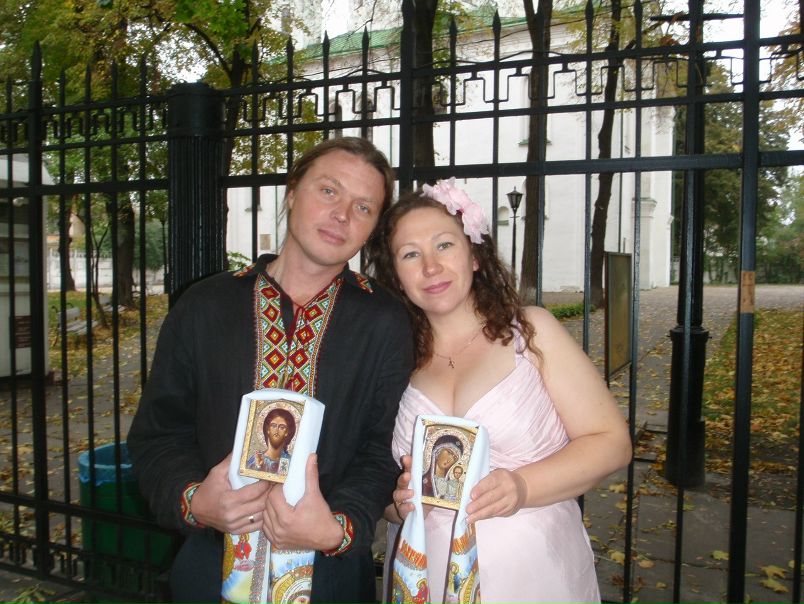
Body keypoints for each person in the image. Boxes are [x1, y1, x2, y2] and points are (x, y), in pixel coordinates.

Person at [127, 137, 415, 604]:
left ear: (373, 227)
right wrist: (195, 500)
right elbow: (158, 434)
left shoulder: (384, 321)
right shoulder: (205, 306)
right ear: (292, 191)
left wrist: (338, 528)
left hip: (331, 575)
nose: (342, 214)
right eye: (329, 191)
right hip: (209, 565)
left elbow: (383, 449)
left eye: (363, 207)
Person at [367, 179, 632, 603]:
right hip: (422, 579)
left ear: (474, 256)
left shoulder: (531, 332)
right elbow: (378, 478)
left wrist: (521, 487)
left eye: (444, 245)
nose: (431, 267)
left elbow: (612, 443)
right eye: (410, 254)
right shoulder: (393, 360)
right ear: (396, 275)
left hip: (533, 576)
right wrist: (397, 503)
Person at [246, 408, 295, 475]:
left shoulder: (290, 461)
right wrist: (259, 467)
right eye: (273, 426)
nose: (276, 431)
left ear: (287, 432)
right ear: (268, 429)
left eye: (282, 427)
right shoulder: (256, 460)